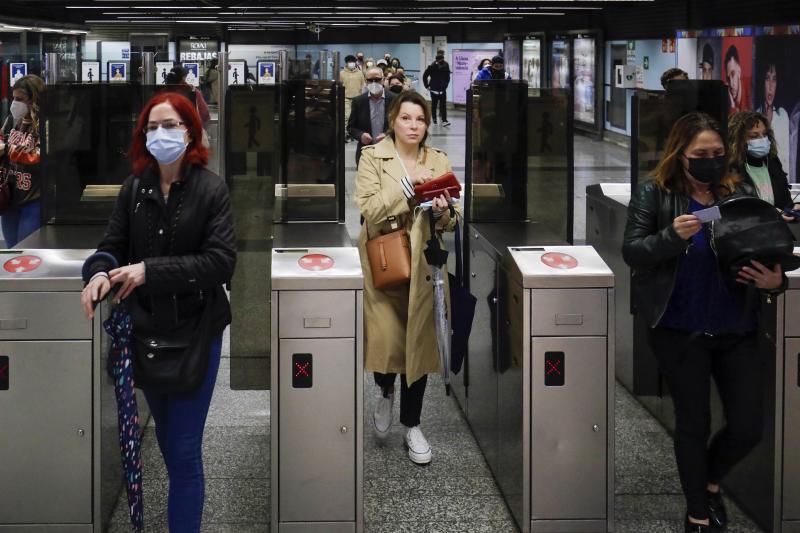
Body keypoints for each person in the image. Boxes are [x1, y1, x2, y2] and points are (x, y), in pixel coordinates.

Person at [80, 92, 236, 533]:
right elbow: (111, 248)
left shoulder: (211, 189)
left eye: (169, 125)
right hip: (146, 336)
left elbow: (221, 262)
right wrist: (97, 273)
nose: (159, 134)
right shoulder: (134, 189)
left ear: (190, 133)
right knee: (167, 442)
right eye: (151, 127)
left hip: (196, 332)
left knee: (184, 450)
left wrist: (150, 271)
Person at [622, 112, 783, 533]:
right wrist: (671, 237)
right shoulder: (654, 193)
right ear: (680, 155)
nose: (710, 161)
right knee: (694, 421)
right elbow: (634, 251)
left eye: (717, 153)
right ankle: (697, 512)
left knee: (748, 425)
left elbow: (766, 248)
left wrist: (775, 280)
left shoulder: (740, 190)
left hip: (737, 325)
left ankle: (710, 481)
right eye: (700, 154)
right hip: (679, 326)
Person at [355, 90, 459, 465]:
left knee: (417, 346)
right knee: (386, 342)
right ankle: (384, 390)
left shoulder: (439, 159)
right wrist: (406, 189)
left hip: (424, 266)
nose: (413, 126)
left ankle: (412, 424)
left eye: (420, 120)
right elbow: (368, 209)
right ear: (392, 122)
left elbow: (451, 220)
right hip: (385, 261)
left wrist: (444, 210)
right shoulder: (373, 157)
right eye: (406, 118)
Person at [0, 75, 44, 248]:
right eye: (13, 98)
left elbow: (40, 155)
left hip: (33, 197)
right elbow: (3, 138)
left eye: (20, 99)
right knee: (11, 251)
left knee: (28, 252)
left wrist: (8, 149)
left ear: (33, 99)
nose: (14, 103)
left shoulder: (44, 124)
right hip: (10, 194)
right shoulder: (12, 120)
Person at [728, 110, 796, 217]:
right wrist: (771, 213)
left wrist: (793, 209)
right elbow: (734, 212)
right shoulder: (731, 170)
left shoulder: (773, 162)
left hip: (778, 229)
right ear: (738, 140)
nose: (762, 139)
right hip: (748, 231)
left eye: (764, 134)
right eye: (754, 136)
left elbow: (785, 202)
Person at [347, 67, 396, 166]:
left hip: (390, 150)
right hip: (365, 152)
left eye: (377, 79)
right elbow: (351, 127)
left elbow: (401, 125)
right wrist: (360, 135)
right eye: (370, 80)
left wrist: (388, 135)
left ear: (383, 80)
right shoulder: (358, 101)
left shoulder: (395, 99)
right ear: (366, 81)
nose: (374, 83)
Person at [755, 62, 790, 174]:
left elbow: (786, 161)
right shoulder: (754, 116)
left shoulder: (782, 116)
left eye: (774, 79)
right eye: (767, 79)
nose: (770, 86)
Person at [166, 66, 211, 130]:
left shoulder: (163, 93)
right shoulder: (192, 91)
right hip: (188, 130)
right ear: (183, 77)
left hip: (168, 130)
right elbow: (204, 113)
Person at [340, 55, 366, 142]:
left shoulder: (359, 73)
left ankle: (353, 134)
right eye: (349, 62)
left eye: (352, 62)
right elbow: (339, 86)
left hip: (357, 98)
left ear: (355, 62)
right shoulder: (342, 73)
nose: (351, 63)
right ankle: (346, 134)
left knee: (356, 117)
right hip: (346, 98)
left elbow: (363, 85)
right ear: (346, 63)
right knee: (347, 116)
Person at [423, 51, 452, 126]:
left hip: (442, 89)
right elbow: (425, 76)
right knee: (434, 104)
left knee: (443, 105)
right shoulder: (432, 66)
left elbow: (448, 76)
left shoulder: (446, 65)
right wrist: (427, 86)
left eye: (442, 57)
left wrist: (445, 85)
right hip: (433, 89)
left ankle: (444, 120)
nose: (440, 60)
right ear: (436, 59)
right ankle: (434, 118)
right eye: (439, 58)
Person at [724, 45, 750, 115]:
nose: (731, 84)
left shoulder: (750, 87)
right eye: (728, 78)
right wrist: (732, 106)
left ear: (739, 71)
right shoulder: (726, 100)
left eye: (733, 74)